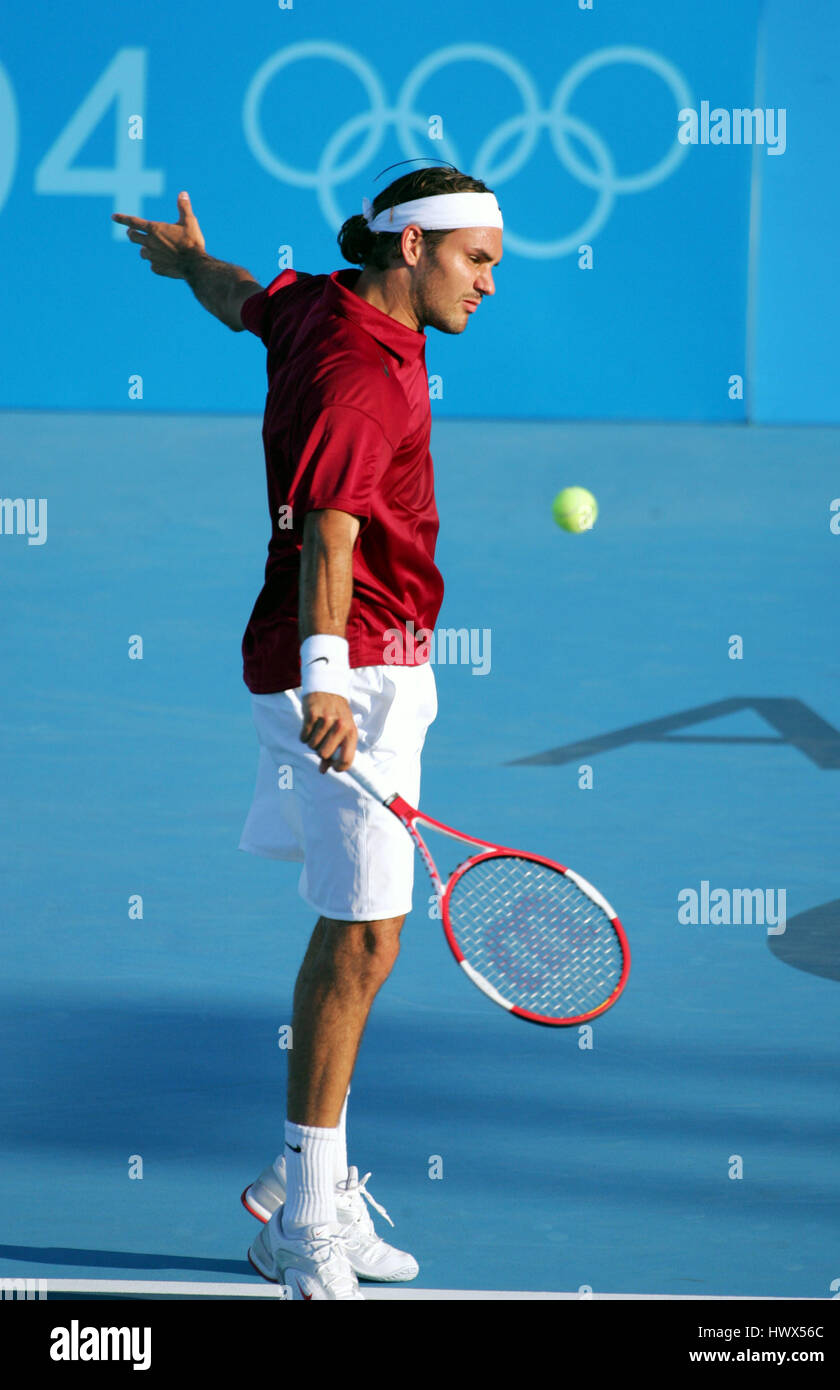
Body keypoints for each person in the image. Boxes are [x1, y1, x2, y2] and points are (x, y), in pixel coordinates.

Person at [112, 166, 503, 1299]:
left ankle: (306, 1187)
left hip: (368, 663)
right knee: (362, 941)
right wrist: (329, 678)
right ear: (415, 248)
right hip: (349, 671)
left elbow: (244, 298)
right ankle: (299, 1216)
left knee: (363, 933)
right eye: (474, 259)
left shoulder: (323, 307)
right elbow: (329, 541)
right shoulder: (357, 379)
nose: (487, 283)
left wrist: (192, 263)